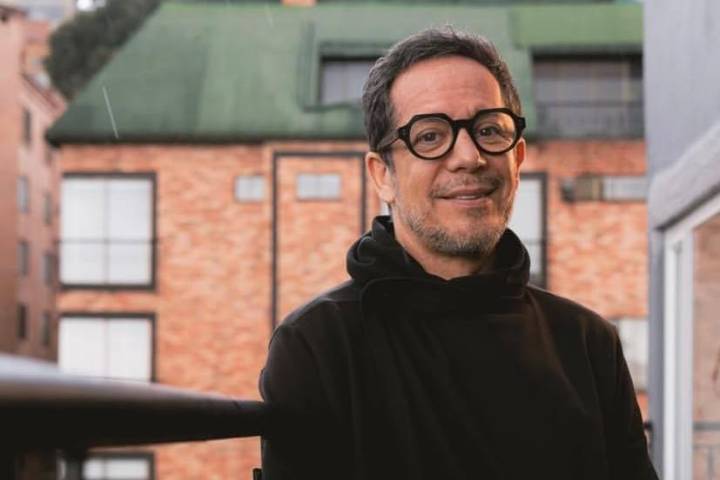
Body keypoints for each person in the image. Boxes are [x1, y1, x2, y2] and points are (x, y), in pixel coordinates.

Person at [259, 28, 658, 480]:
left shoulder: (588, 344)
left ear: (517, 159)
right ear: (382, 175)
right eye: (430, 136)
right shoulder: (318, 345)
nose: (469, 156)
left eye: (488, 130)